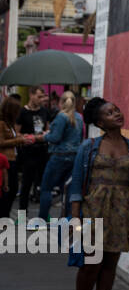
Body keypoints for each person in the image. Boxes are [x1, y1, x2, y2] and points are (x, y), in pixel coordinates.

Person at [67, 98, 129, 290]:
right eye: (110, 113)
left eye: (117, 110)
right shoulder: (88, 147)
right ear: (100, 122)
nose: (117, 114)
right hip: (93, 211)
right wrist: (75, 218)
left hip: (122, 212)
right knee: (91, 264)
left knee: (110, 265)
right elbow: (77, 185)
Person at [35, 91, 83, 223]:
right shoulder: (79, 117)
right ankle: (67, 219)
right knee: (67, 190)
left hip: (59, 157)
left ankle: (42, 220)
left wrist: (44, 136)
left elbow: (55, 138)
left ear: (62, 102)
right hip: (74, 158)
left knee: (46, 188)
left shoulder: (61, 117)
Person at [17, 87, 55, 216]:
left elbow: (49, 128)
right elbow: (16, 133)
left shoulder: (44, 111)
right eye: (39, 96)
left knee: (44, 184)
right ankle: (22, 216)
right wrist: (25, 137)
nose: (41, 99)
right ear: (31, 95)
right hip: (28, 152)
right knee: (26, 184)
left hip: (43, 150)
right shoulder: (23, 112)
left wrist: (47, 133)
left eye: (42, 97)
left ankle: (44, 214)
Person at [0, 98, 34, 219]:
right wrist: (19, 140)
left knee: (13, 189)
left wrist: (21, 137)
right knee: (8, 189)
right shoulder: (2, 124)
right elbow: (1, 142)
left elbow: (12, 137)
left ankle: (5, 216)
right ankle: (3, 217)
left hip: (13, 160)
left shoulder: (10, 124)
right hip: (5, 160)